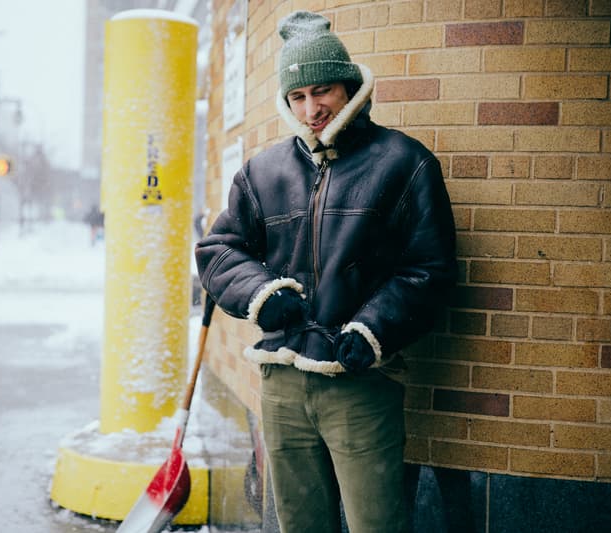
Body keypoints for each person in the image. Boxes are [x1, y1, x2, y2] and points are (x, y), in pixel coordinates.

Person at [195, 10, 457, 533]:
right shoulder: (262, 172)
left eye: (323, 92)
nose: (311, 109)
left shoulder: (404, 162)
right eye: (297, 97)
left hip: (360, 380)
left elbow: (430, 267)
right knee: (300, 523)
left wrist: (373, 328)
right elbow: (218, 250)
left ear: (349, 88)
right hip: (281, 383)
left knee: (374, 522)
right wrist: (262, 294)